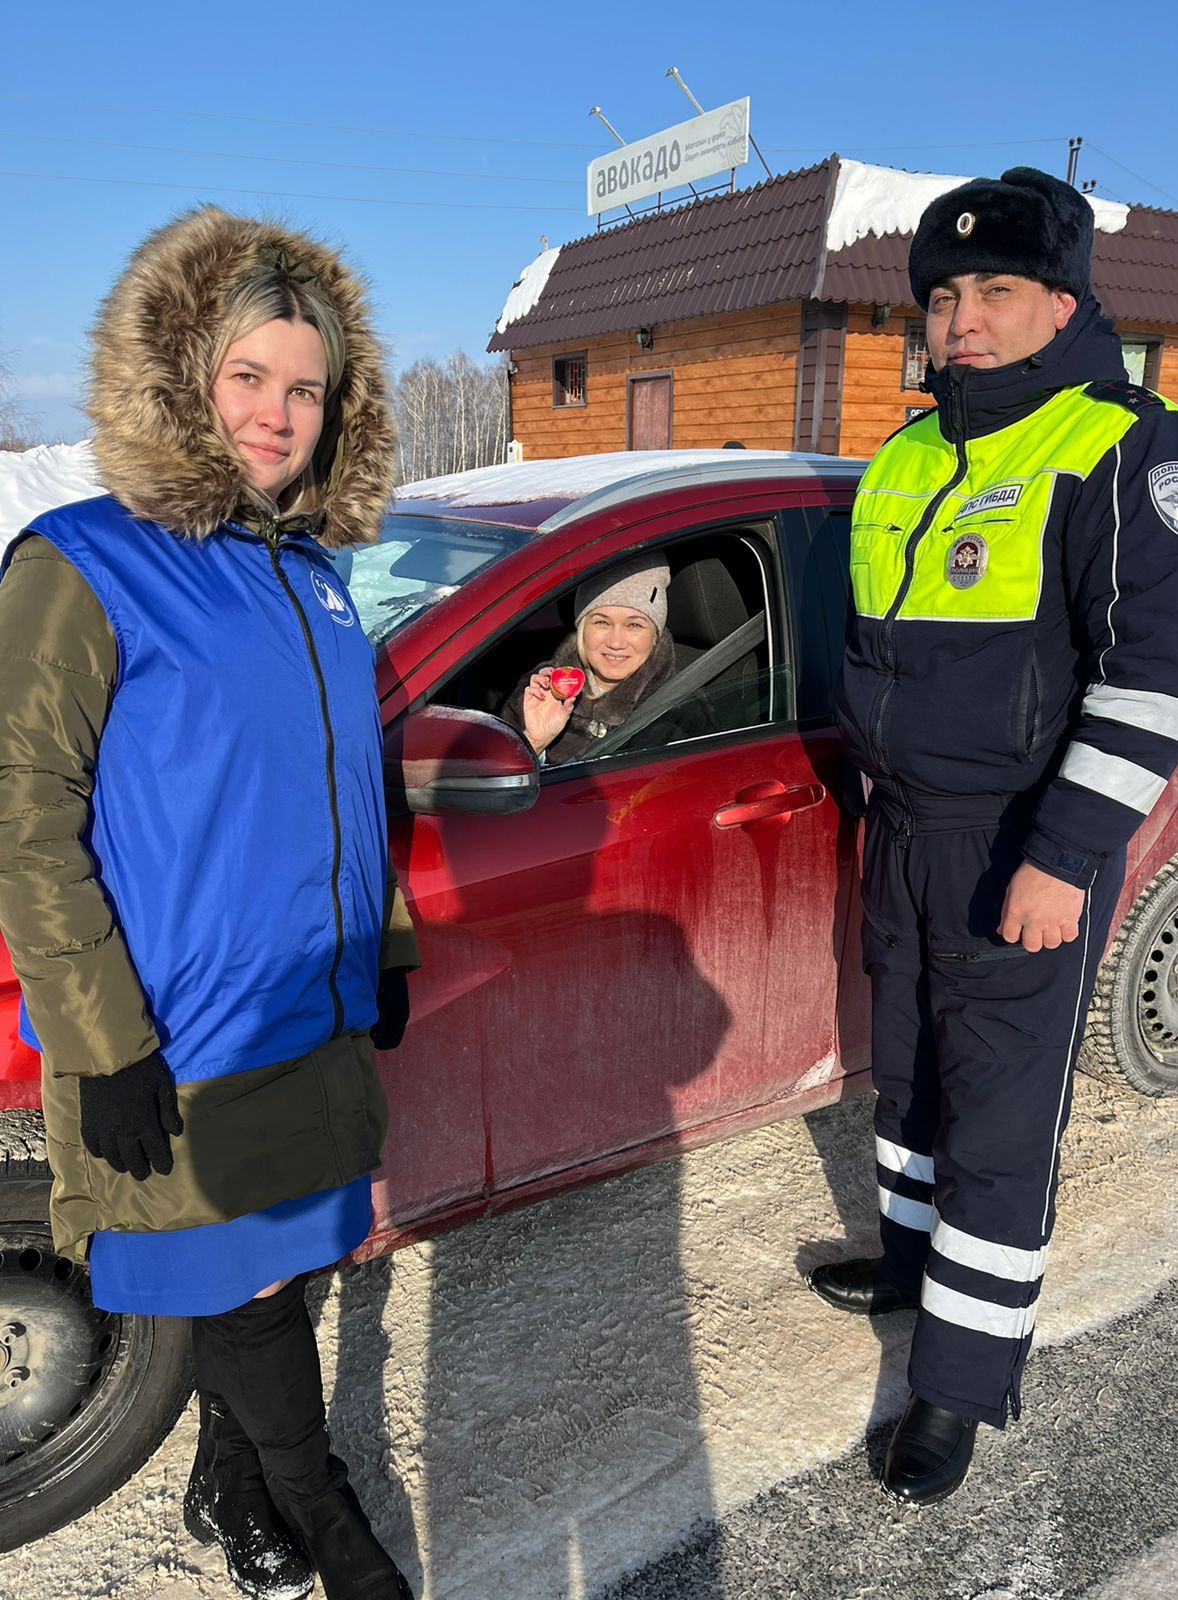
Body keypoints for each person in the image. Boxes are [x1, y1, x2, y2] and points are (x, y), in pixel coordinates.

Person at [0, 207, 418, 1600]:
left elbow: (349, 790)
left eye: (307, 388)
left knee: (276, 1278)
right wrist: (100, 1038)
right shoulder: (82, 563)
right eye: (251, 376)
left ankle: (228, 1484)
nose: (278, 414)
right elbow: (24, 822)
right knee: (237, 1285)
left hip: (311, 1010)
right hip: (180, 1040)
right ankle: (330, 1519)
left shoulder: (317, 580)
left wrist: (389, 948)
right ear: (181, 372)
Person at [811, 168, 1178, 1505]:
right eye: (943, 295)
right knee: (909, 1074)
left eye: (995, 291)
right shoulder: (907, 457)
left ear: (1061, 300)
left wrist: (1065, 852)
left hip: (1016, 845)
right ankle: (914, 1267)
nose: (962, 318)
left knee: (1000, 1119)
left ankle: (958, 1387)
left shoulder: (1127, 447)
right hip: (905, 835)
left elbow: (1155, 679)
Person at [501, 555, 677, 764]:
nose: (616, 642)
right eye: (602, 622)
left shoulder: (678, 708)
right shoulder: (538, 692)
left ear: (655, 637)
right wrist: (535, 742)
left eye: (634, 625)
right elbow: (492, 787)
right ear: (582, 629)